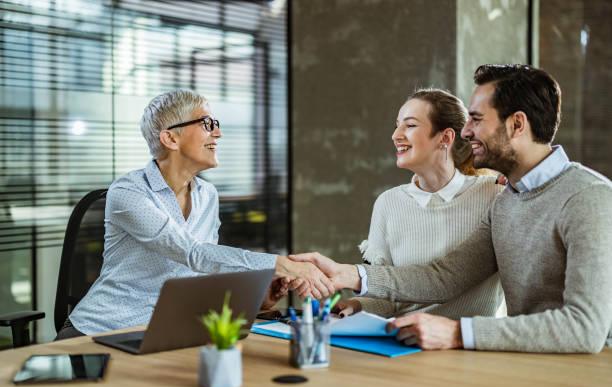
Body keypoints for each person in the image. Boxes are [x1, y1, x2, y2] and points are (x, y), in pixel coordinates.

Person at [292, 64, 612, 353]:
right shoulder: (508, 199)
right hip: (527, 365)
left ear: (517, 124)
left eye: (476, 119)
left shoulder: (589, 197)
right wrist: (348, 274)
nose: (466, 131)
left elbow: (584, 328)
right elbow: (445, 277)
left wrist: (458, 333)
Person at [57, 90, 332, 339]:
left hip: (168, 330)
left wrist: (258, 298)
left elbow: (203, 270)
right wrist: (283, 265)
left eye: (216, 124)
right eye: (206, 124)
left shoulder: (207, 195)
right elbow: (193, 253)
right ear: (170, 138)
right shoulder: (129, 191)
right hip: (102, 332)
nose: (217, 134)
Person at [336, 89, 504, 320]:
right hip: (403, 344)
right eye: (397, 125)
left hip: (468, 347)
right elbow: (389, 299)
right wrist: (356, 306)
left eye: (410, 125)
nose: (396, 135)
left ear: (445, 138)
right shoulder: (388, 203)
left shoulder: (494, 194)